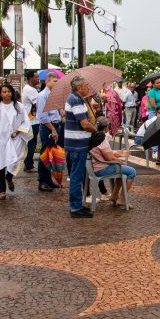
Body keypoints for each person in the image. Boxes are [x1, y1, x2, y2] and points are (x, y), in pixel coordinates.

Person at [0, 83, 31, 200]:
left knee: (15, 161)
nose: (7, 94)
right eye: (4, 92)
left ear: (12, 92)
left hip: (15, 139)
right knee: (0, 163)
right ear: (0, 94)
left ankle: (9, 177)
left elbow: (26, 122)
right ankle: (1, 191)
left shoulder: (19, 107)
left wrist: (18, 131)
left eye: (8, 91)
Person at [65, 75, 97, 218]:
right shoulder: (76, 100)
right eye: (86, 85)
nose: (88, 88)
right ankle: (75, 208)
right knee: (77, 176)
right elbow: (84, 124)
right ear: (79, 88)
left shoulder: (76, 99)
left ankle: (77, 205)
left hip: (76, 143)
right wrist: (95, 130)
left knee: (77, 175)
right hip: (77, 144)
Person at [89, 116, 136, 207]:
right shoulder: (102, 138)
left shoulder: (93, 136)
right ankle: (122, 199)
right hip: (102, 169)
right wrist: (120, 161)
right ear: (106, 127)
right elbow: (109, 158)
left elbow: (105, 153)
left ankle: (114, 195)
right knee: (131, 172)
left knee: (122, 169)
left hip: (95, 167)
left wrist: (119, 155)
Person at [35, 74, 63, 192]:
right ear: (47, 81)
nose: (57, 84)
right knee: (45, 154)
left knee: (52, 155)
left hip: (56, 125)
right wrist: (52, 129)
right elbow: (43, 116)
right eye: (55, 81)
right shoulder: (43, 95)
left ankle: (48, 179)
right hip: (48, 127)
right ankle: (42, 181)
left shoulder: (53, 95)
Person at [21, 70, 41, 174]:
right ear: (30, 78)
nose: (38, 79)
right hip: (32, 121)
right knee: (32, 143)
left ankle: (28, 163)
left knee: (32, 143)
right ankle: (28, 164)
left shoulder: (30, 88)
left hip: (32, 120)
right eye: (36, 77)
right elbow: (38, 103)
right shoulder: (30, 89)